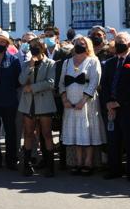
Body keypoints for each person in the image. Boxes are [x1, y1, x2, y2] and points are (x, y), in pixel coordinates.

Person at [100, 32, 130, 181]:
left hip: (128, 108)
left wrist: (117, 102)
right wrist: (108, 103)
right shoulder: (110, 62)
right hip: (111, 108)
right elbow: (105, 84)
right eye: (117, 40)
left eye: (122, 41)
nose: (119, 43)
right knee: (113, 140)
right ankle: (115, 170)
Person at [59, 36, 106, 175]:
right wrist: (64, 99)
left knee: (87, 132)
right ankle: (78, 162)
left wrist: (83, 100)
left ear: (88, 46)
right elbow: (61, 82)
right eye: (78, 43)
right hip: (69, 102)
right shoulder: (67, 62)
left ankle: (88, 162)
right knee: (75, 133)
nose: (80, 45)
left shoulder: (93, 61)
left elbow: (94, 82)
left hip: (87, 102)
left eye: (83, 43)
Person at [18, 38, 56, 177]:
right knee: (28, 134)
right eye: (31, 46)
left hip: (44, 103)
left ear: (42, 47)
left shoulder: (51, 63)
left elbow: (50, 83)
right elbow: (21, 80)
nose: (34, 48)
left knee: (46, 134)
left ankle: (50, 165)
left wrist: (32, 88)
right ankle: (27, 164)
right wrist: (30, 67)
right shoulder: (26, 64)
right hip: (28, 104)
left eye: (36, 46)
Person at [0, 30, 21, 170]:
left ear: (7, 44)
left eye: (2, 42)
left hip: (9, 101)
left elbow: (18, 81)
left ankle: (11, 160)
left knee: (10, 132)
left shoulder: (14, 60)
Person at [42, 26, 72, 169]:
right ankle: (46, 158)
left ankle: (63, 159)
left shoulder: (66, 54)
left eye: (50, 35)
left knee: (62, 128)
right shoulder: (40, 53)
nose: (48, 38)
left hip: (60, 96)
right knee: (44, 129)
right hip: (44, 96)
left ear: (57, 37)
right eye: (45, 35)